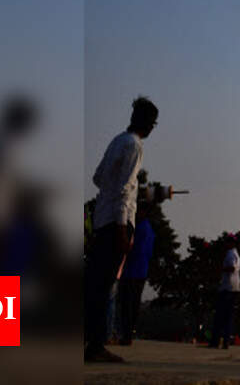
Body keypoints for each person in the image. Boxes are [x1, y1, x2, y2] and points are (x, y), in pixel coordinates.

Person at [85, 96, 158, 363]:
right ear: (147, 123)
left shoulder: (117, 140)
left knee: (95, 285)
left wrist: (109, 200)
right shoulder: (135, 146)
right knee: (104, 287)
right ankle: (95, 345)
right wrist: (122, 229)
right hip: (116, 222)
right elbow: (124, 188)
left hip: (102, 217)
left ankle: (91, 340)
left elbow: (98, 177)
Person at [118, 200, 156, 345]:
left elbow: (135, 250)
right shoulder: (149, 230)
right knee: (132, 304)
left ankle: (126, 334)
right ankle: (128, 333)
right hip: (141, 271)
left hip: (132, 271)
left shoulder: (140, 229)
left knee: (128, 304)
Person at [209, 233, 240, 349]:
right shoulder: (236, 254)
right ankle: (225, 342)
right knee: (228, 317)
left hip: (228, 288)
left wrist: (220, 269)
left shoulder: (231, 254)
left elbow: (231, 268)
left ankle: (215, 341)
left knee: (220, 316)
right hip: (234, 288)